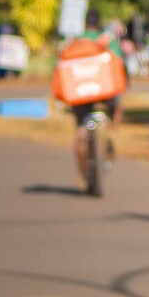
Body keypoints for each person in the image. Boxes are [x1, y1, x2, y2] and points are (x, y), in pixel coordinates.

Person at [54, 22, 127, 183]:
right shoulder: (107, 42)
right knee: (118, 106)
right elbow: (120, 66)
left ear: (84, 24)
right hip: (105, 95)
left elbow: (61, 70)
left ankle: (82, 175)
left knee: (81, 131)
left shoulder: (72, 43)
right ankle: (112, 134)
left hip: (80, 96)